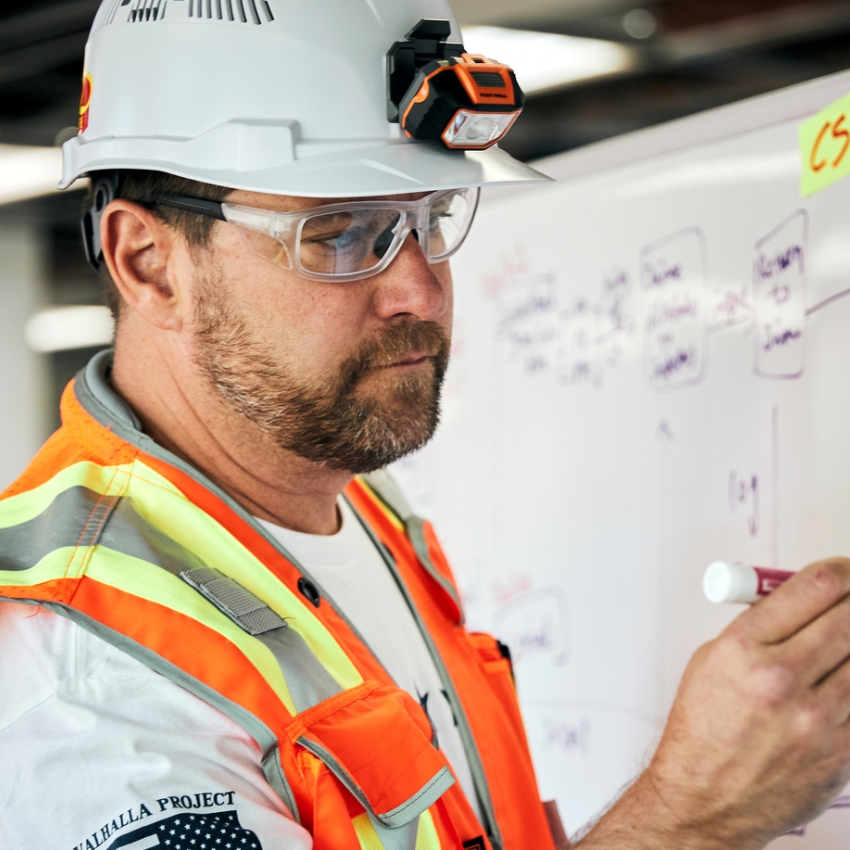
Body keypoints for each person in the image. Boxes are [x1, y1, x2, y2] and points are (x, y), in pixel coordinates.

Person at [2, 2, 850, 849]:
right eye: (338, 235)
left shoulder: (357, 502)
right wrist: (688, 819)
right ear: (149, 265)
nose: (422, 289)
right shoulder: (82, 684)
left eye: (431, 219)